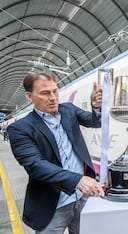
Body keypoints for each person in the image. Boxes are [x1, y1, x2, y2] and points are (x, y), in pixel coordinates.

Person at [7, 71, 105, 234]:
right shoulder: (20, 129)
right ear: (29, 96)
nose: (53, 97)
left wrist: (96, 107)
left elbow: (95, 122)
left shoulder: (68, 110)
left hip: (83, 198)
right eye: (45, 93)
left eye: (55, 91)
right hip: (52, 205)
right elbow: (35, 165)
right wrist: (77, 180)